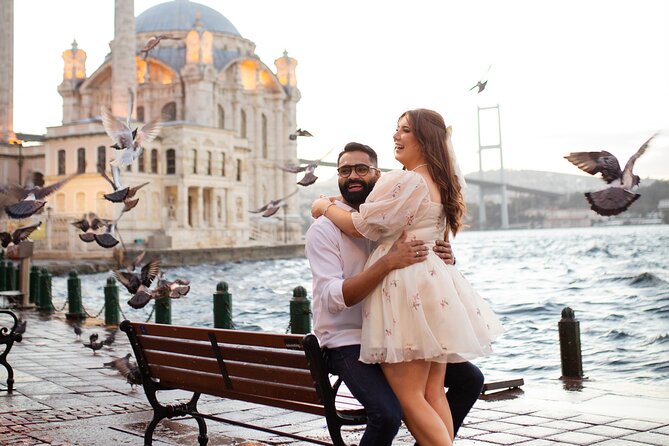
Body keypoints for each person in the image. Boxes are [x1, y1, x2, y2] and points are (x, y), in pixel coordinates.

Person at [311, 110, 503, 445]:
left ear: (425, 139)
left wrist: (324, 205)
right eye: (395, 130)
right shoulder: (441, 182)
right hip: (432, 289)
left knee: (411, 397)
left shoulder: (407, 181)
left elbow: (361, 225)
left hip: (405, 291)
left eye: (405, 131)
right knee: (432, 393)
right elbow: (423, 230)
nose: (396, 137)